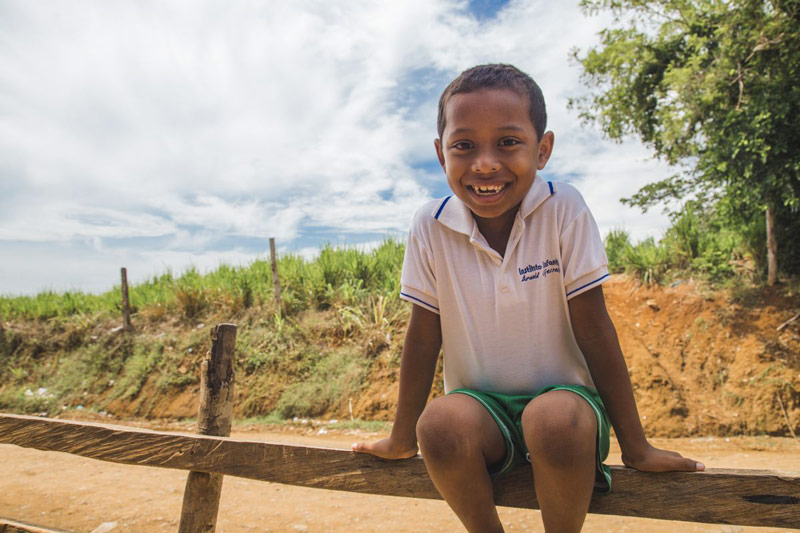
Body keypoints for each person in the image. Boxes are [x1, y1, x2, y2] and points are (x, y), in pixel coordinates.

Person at [352, 63, 704, 533]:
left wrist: (636, 447)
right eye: (464, 146)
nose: (484, 163)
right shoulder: (430, 225)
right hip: (482, 412)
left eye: (508, 142)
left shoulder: (563, 209)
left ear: (543, 150)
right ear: (441, 155)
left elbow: (595, 329)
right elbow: (423, 335)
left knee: (554, 420)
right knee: (437, 426)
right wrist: (401, 436)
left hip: (569, 410)